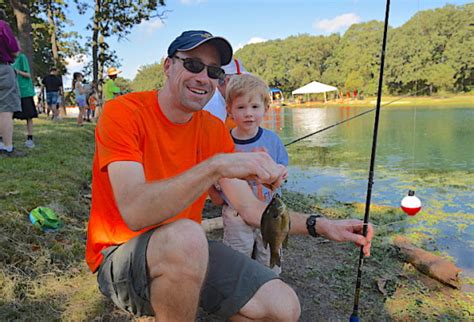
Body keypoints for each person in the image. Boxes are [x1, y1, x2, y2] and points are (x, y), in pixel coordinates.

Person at [85, 30, 373, 321]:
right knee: (188, 235)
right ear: (168, 66)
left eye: (213, 72)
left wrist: (322, 226)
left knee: (284, 307)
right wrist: (216, 166)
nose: (203, 78)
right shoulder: (123, 112)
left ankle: (182, 289)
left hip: (187, 250)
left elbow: (249, 209)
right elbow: (135, 211)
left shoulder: (212, 129)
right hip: (119, 256)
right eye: (193, 65)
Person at [220, 73, 289, 275]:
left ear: (266, 109)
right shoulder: (224, 142)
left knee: (268, 253)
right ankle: (238, 287)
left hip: (269, 210)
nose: (248, 113)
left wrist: (279, 174)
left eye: (255, 107)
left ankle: (269, 283)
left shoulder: (272, 140)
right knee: (237, 255)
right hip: (235, 213)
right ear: (229, 111)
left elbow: (282, 169)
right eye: (241, 107)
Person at [0, 9, 23, 157]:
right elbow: (15, 51)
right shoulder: (2, 25)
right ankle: (7, 147)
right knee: (5, 109)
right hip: (2, 68)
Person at [203, 57, 246, 122]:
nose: (245, 86)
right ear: (228, 80)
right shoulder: (213, 106)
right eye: (242, 81)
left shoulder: (217, 98)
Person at [12, 47, 38, 148]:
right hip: (13, 92)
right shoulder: (8, 60)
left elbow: (28, 75)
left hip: (25, 91)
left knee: (29, 116)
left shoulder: (22, 57)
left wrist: (17, 71)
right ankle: (5, 138)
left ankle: (30, 138)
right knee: (8, 115)